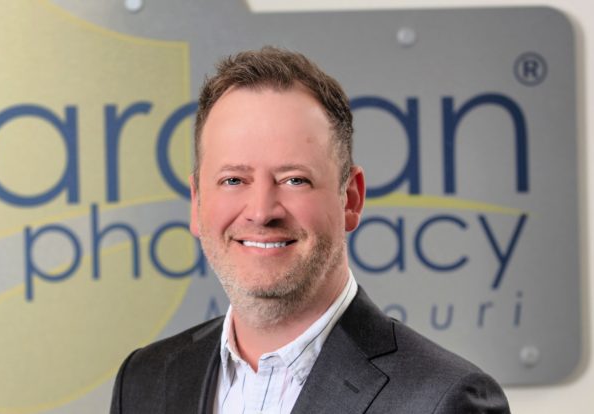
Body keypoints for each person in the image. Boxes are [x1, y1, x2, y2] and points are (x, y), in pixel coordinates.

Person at [110, 46, 511, 413]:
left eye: (294, 180)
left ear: (350, 198)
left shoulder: (442, 400)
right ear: (197, 201)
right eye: (233, 180)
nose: (261, 212)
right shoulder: (144, 381)